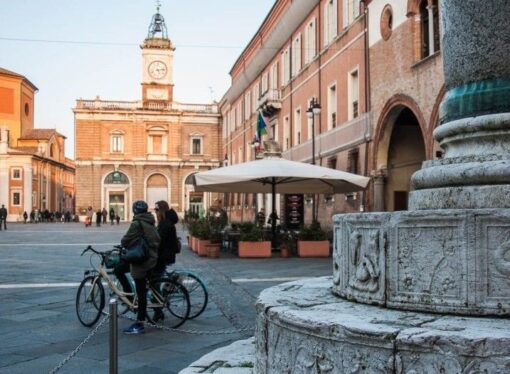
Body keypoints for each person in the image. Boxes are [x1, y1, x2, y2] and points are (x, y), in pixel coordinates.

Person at [114, 200, 160, 334]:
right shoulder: (150, 221)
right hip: (151, 257)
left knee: (141, 293)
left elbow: (125, 240)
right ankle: (132, 299)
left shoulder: (137, 223)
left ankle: (140, 323)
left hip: (143, 261)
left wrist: (128, 244)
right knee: (120, 269)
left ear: (134, 211)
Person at [151, 200, 180, 322]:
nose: (155, 213)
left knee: (153, 282)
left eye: (156, 210)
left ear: (161, 210)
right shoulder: (166, 222)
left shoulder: (165, 224)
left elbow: (159, 240)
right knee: (155, 282)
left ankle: (158, 310)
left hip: (162, 256)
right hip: (165, 255)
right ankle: (158, 309)